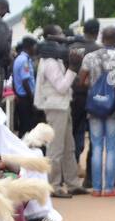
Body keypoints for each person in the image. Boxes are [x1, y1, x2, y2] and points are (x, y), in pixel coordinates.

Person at [35, 27, 87, 198]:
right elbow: (62, 87)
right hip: (56, 107)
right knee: (56, 148)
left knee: (69, 147)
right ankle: (53, 185)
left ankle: (72, 183)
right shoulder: (49, 63)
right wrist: (73, 68)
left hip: (62, 106)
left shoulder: (53, 60)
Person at [81, 25, 115, 196]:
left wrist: (95, 89)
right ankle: (109, 188)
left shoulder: (90, 57)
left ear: (101, 37)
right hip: (113, 109)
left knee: (97, 146)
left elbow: (81, 80)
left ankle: (97, 188)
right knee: (112, 148)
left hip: (95, 108)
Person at [69, 19, 100, 165]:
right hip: (93, 97)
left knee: (71, 130)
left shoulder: (73, 47)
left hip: (72, 95)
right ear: (97, 32)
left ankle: (71, 164)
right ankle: (88, 174)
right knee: (91, 135)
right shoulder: (99, 50)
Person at [11, 36, 41, 136]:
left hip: (21, 96)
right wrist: (32, 98)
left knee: (24, 125)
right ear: (30, 47)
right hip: (26, 97)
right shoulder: (24, 61)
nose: (35, 49)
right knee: (27, 126)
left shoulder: (19, 59)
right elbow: (25, 81)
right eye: (34, 46)